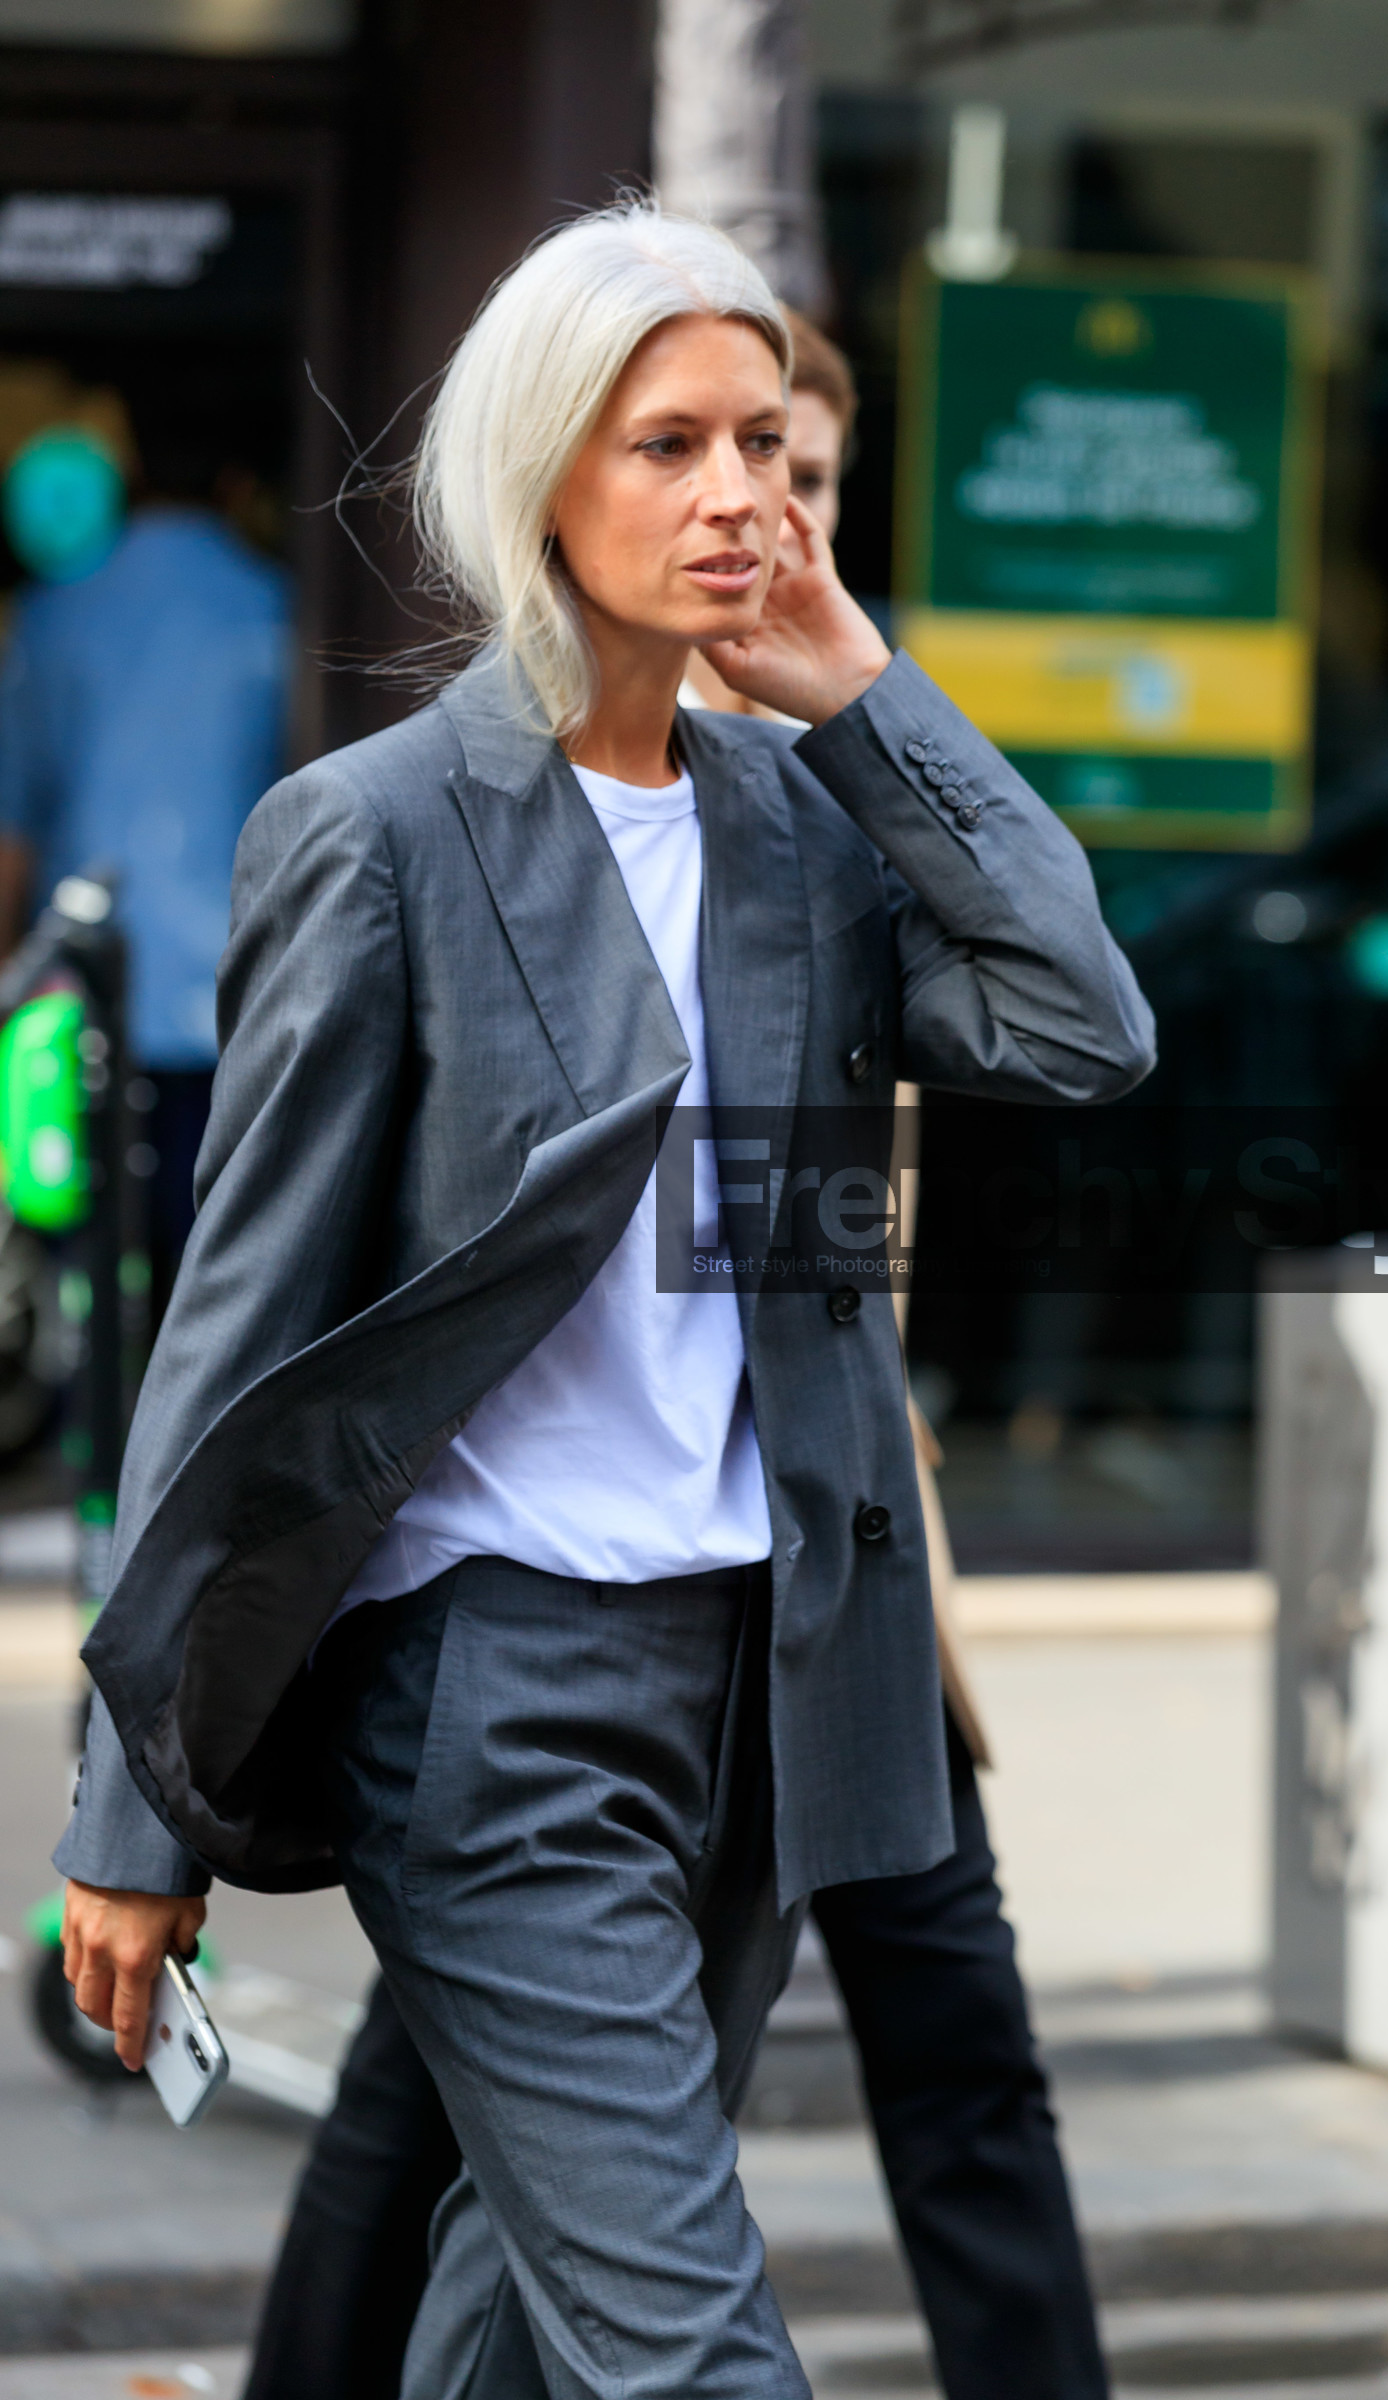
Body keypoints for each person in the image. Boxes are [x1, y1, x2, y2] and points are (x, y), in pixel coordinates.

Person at [53, 204, 1155, 2399]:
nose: (741, 494)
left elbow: (1077, 1023)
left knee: (513, 2316)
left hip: (763, 1691)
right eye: (670, 446)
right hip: (494, 1707)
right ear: (538, 474)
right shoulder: (373, 835)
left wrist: (864, 699)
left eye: (765, 443)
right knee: (688, 2352)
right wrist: (128, 1806)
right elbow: (238, 1337)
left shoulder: (800, 825)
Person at [0, 393, 291, 1315]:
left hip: (79, 979)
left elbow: (15, 818)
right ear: (239, 486)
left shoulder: (56, 613)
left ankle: (98, 1438)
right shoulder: (282, 608)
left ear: (127, 478)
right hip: (238, 987)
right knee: (215, 1262)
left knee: (78, 1241)